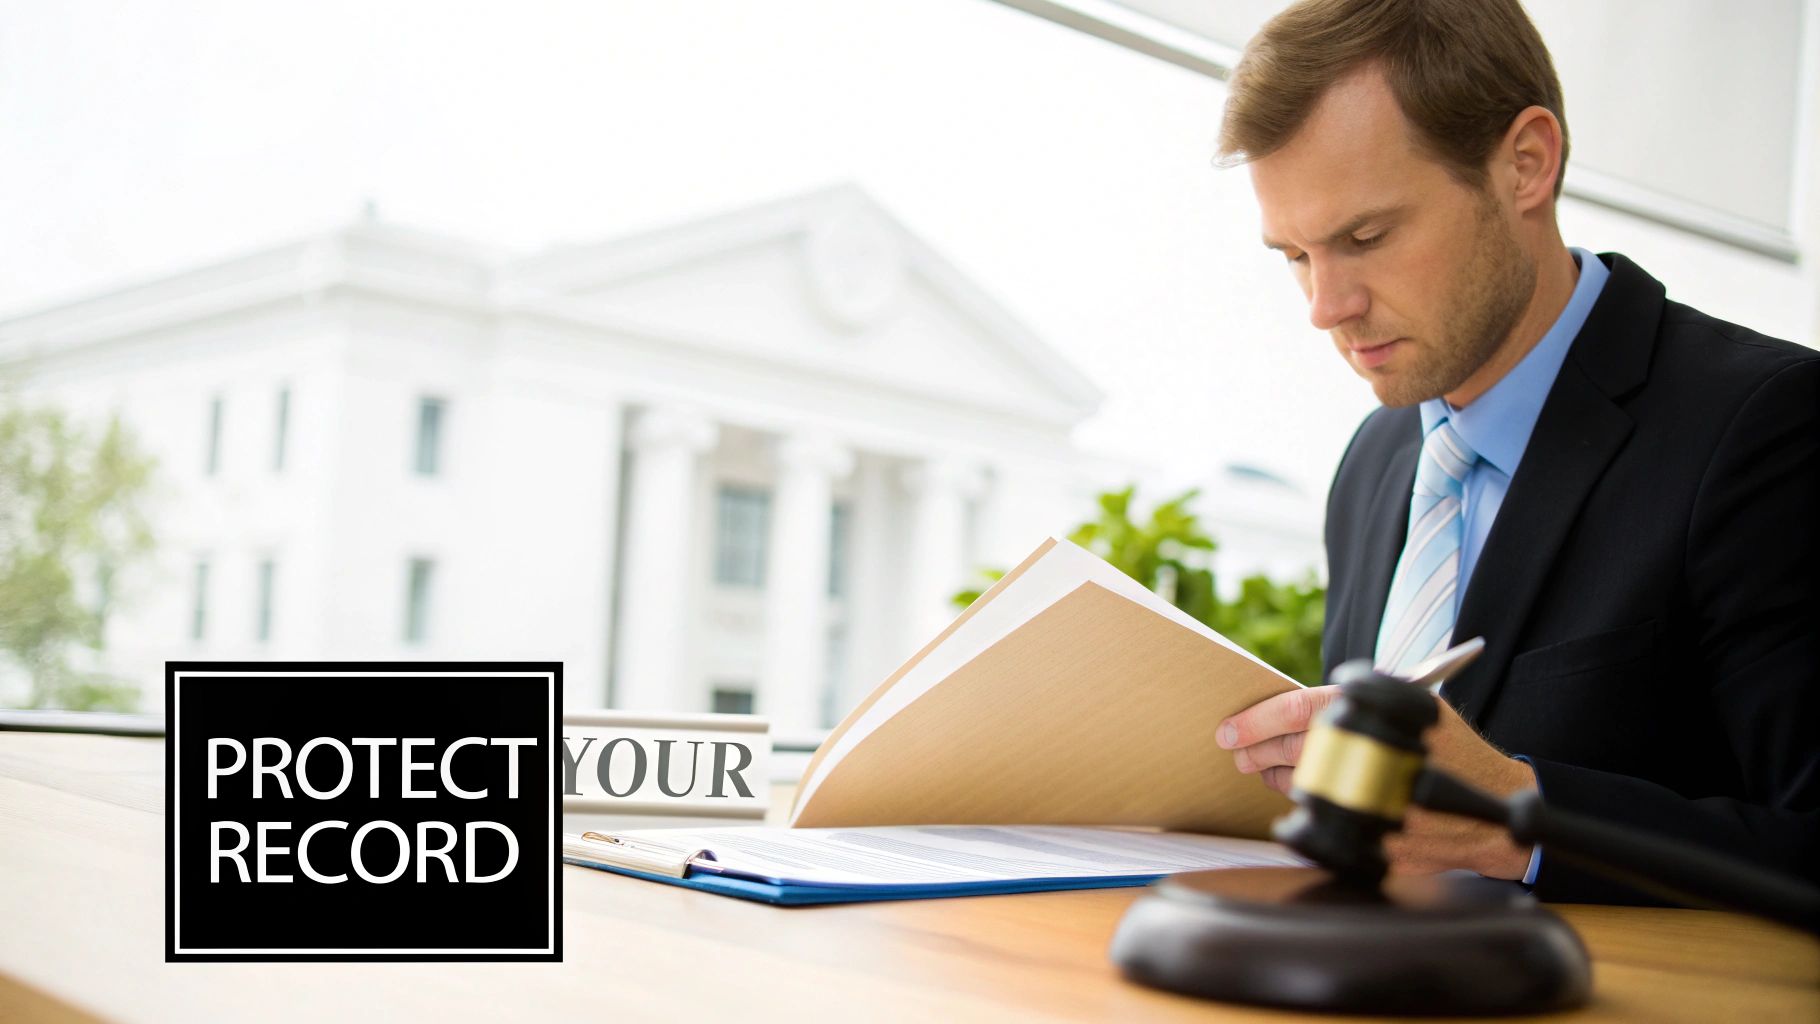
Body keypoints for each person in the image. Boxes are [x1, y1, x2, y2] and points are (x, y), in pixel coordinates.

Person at [1209, 0, 1820, 903]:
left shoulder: (1769, 426)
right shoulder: (1374, 463)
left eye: (1366, 237)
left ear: (1527, 163)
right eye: (1295, 255)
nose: (1326, 306)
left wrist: (1516, 819)